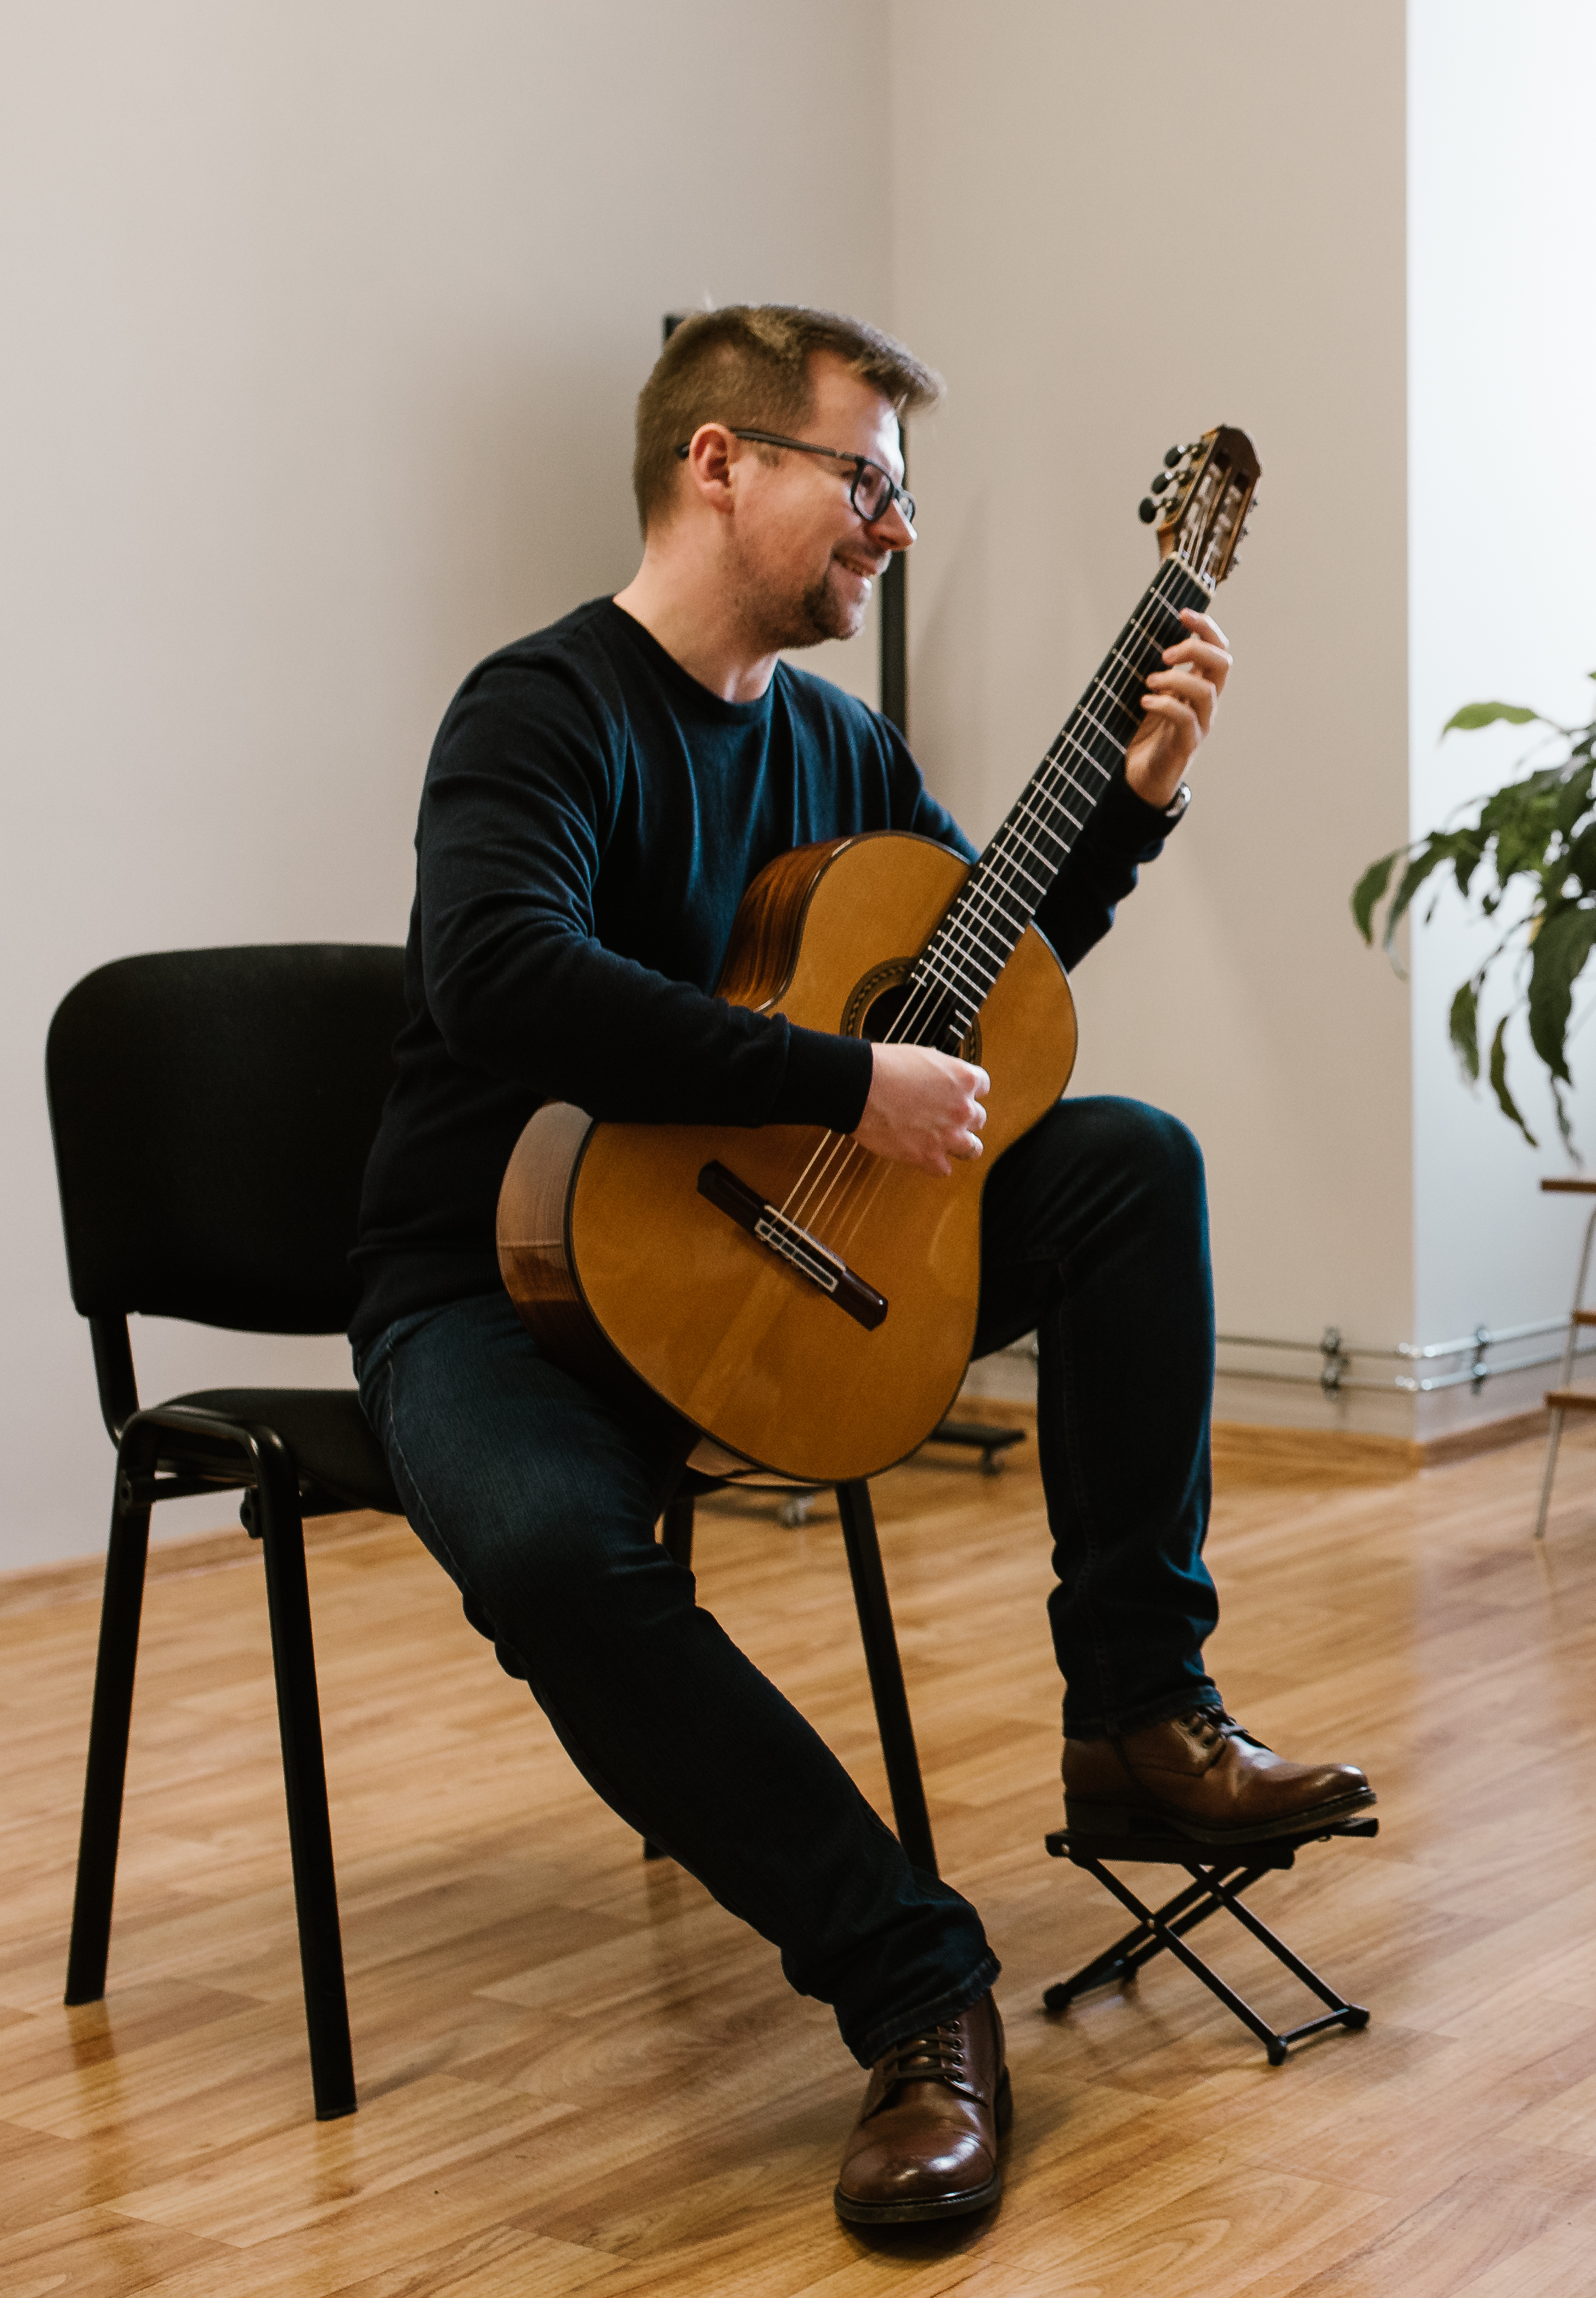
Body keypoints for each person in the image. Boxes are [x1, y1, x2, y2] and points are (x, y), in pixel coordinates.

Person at [347, 304, 1371, 2228]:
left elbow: (973, 965)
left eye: (903, 492)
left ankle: (1142, 1711)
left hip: (765, 1255)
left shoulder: (837, 743)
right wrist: (835, 1076)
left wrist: (1133, 801)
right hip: (494, 1290)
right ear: (717, 461)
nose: (894, 525)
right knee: (559, 1554)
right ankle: (916, 1987)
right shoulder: (539, 709)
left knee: (1131, 1163)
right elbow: (497, 975)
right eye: (866, 479)